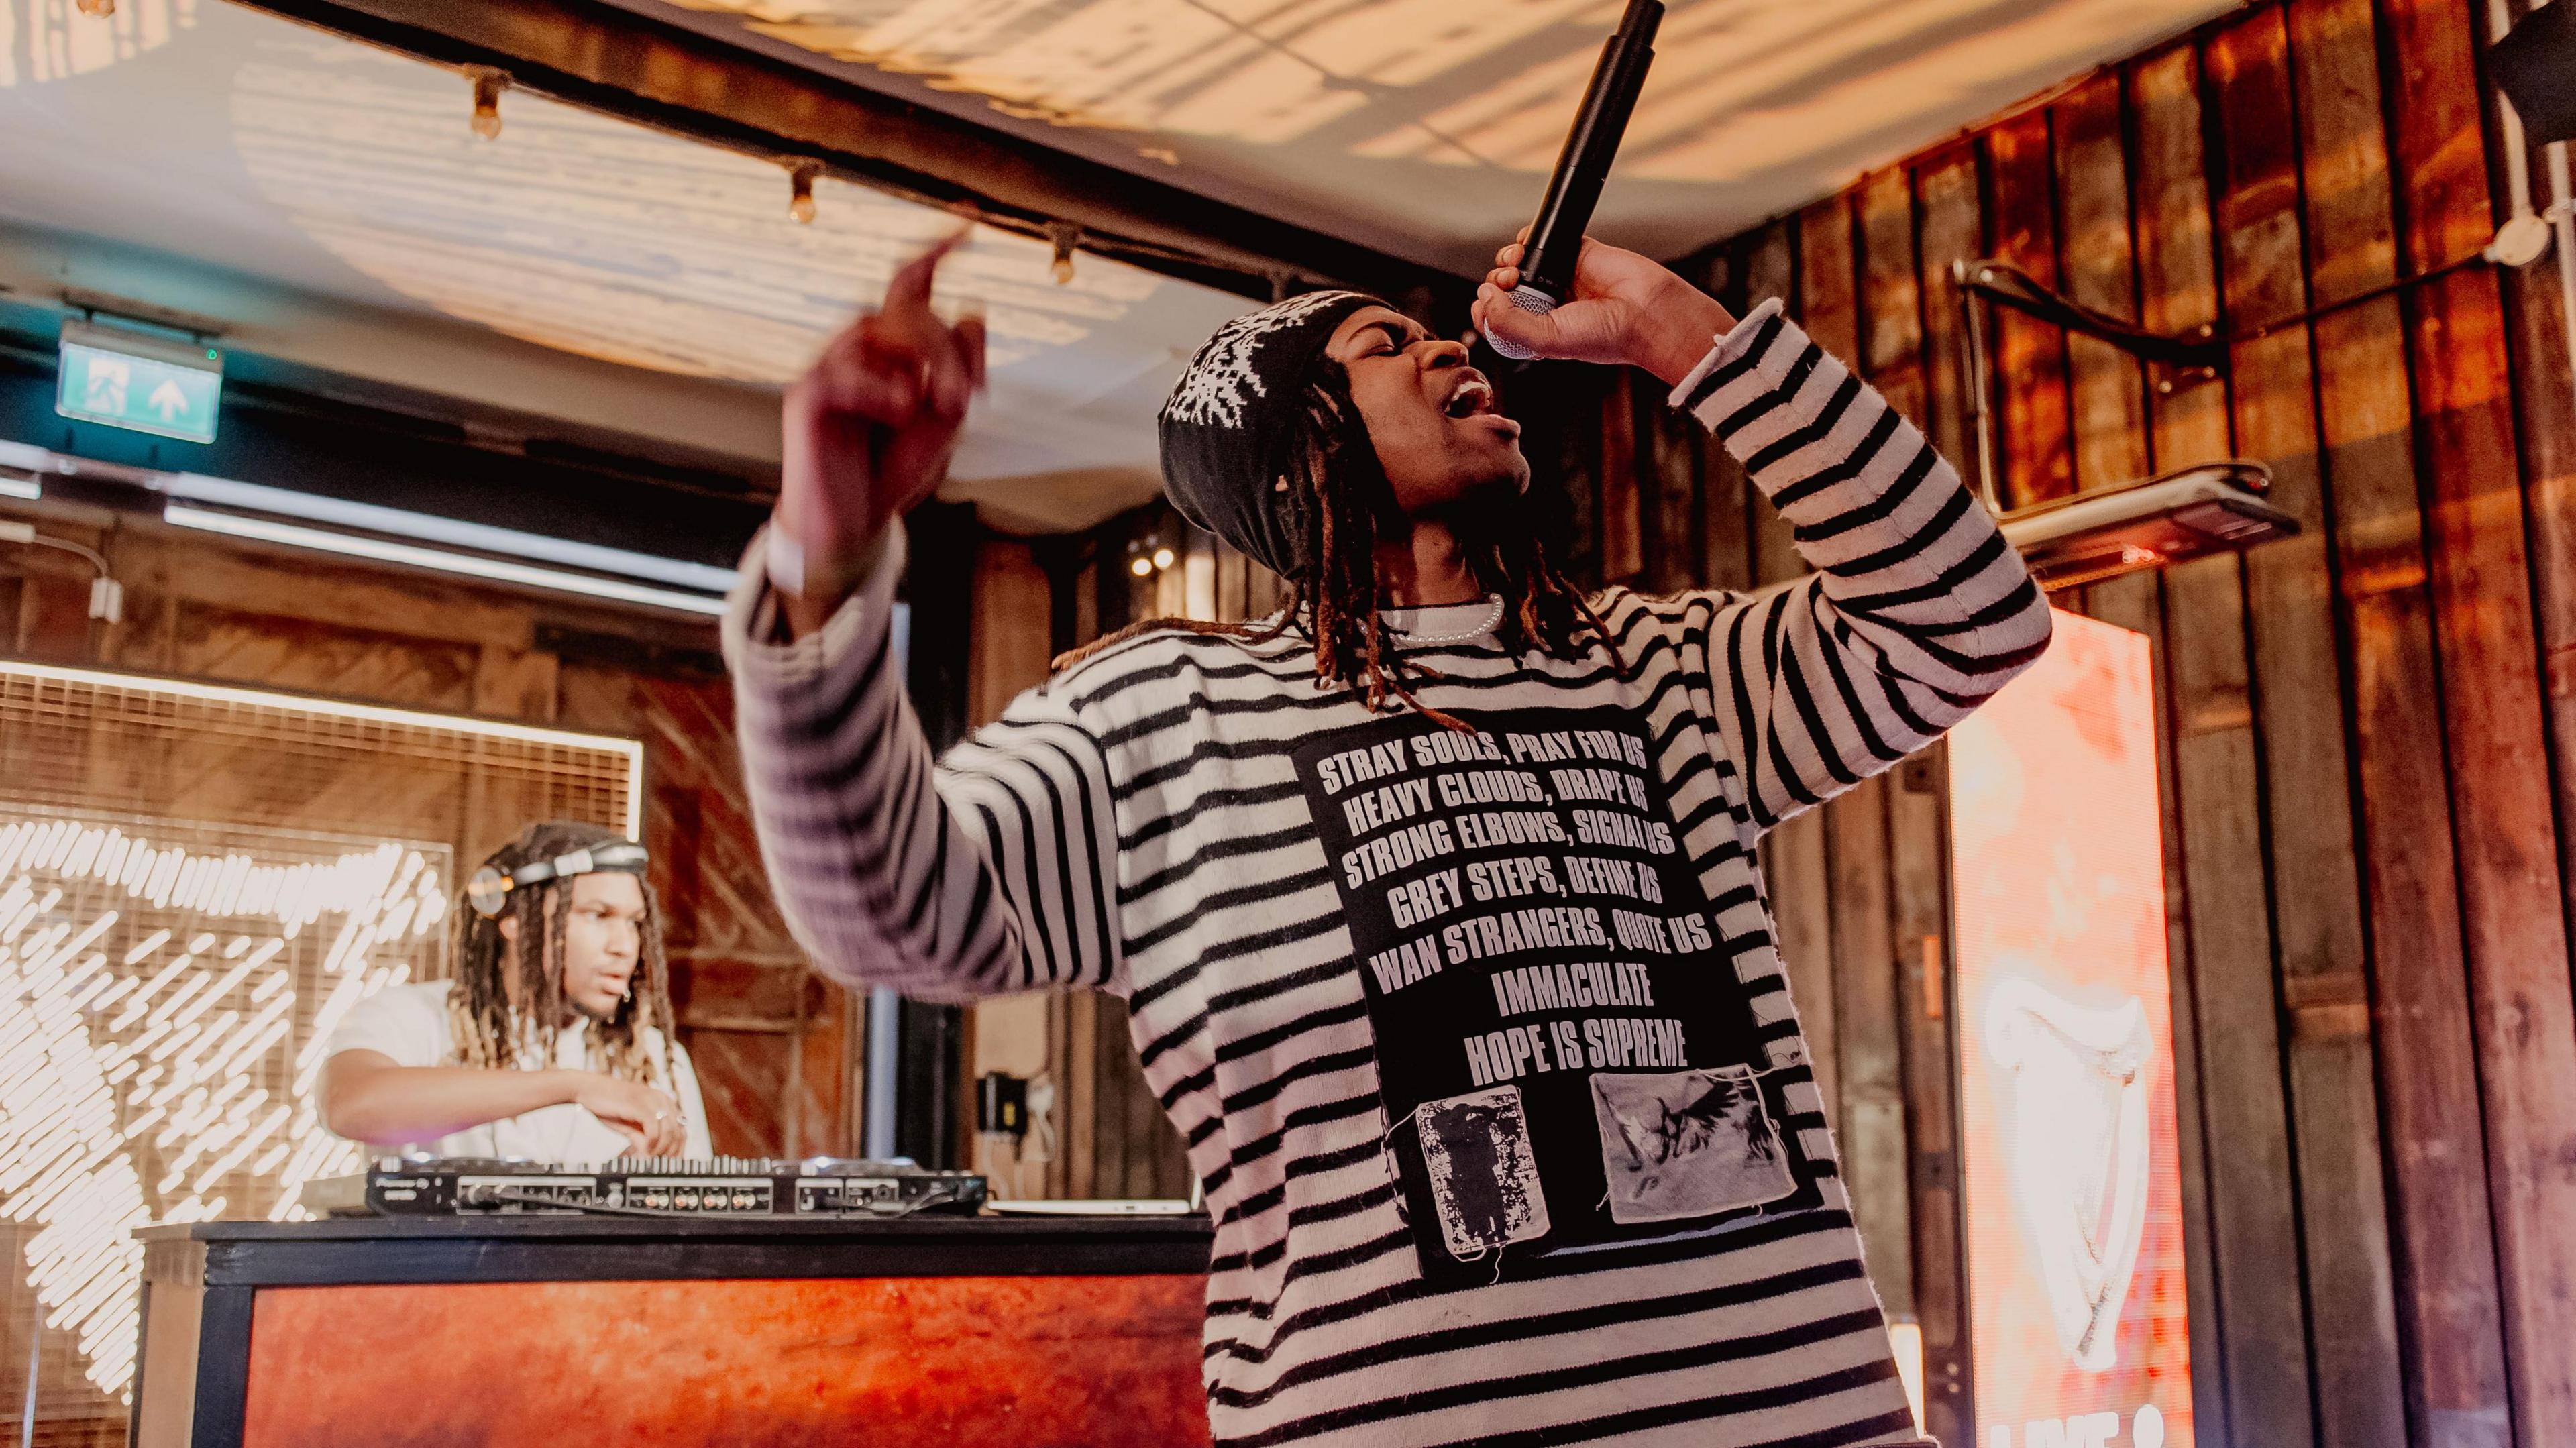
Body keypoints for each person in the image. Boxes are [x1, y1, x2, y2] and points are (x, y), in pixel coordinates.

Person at [724, 231, 2051, 1447]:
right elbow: (887, 911)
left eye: (1435, 335)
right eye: (1380, 346)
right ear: (1295, 446)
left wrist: (1679, 332)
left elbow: (1968, 621)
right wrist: (823, 569)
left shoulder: (1659, 669)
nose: (1446, 348)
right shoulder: (1165, 714)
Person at [320, 820, 710, 1162]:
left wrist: (622, 1186)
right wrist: (572, 1087)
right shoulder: (412, 1015)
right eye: (598, 915)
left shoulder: (656, 1057)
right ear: (518, 921)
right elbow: (349, 1106)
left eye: (635, 923)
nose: (625, 946)